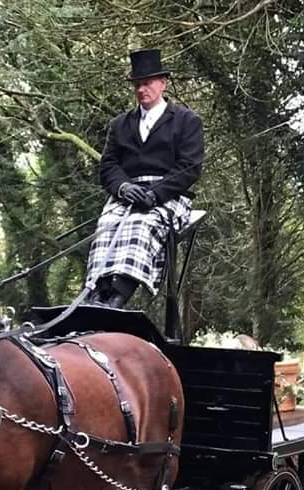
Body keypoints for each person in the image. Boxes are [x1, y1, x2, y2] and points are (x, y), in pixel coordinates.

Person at [85, 48, 204, 308]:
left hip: (168, 195)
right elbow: (109, 165)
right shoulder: (120, 124)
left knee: (140, 226)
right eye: (137, 85)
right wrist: (123, 187)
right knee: (106, 226)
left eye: (147, 83)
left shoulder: (186, 121)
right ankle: (96, 292)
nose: (142, 90)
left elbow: (189, 166)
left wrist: (156, 193)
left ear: (162, 83)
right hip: (127, 194)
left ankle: (118, 296)